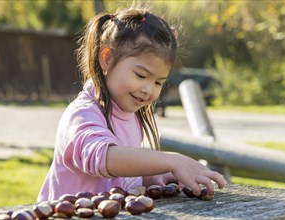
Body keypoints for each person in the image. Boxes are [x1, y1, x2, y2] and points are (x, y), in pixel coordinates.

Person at [37, 5, 225, 202]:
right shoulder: (83, 114)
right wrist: (172, 160)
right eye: (141, 75)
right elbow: (104, 159)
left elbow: (118, 176)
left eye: (158, 82)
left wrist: (152, 175)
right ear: (107, 58)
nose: (148, 89)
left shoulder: (130, 114)